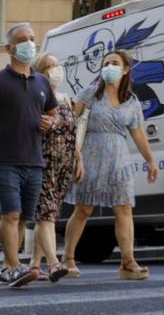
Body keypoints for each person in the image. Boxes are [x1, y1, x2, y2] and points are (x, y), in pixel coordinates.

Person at [61, 49, 158, 280]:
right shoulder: (90, 94)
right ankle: (68, 259)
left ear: (126, 70)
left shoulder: (131, 102)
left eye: (114, 63)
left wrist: (150, 160)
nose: (109, 67)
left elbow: (138, 133)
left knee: (124, 208)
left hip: (119, 159)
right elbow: (70, 123)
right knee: (83, 209)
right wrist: (73, 154)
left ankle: (128, 263)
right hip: (91, 155)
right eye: (106, 63)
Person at [0, 22, 59, 286]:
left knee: (24, 217)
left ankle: (6, 267)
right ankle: (14, 266)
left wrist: (51, 122)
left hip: (34, 161)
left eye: (32, 38)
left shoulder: (42, 81)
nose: (29, 44)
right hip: (4, 161)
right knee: (10, 214)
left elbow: (53, 113)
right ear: (9, 48)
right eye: (22, 40)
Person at [13, 52, 83, 286]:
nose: (55, 70)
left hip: (63, 164)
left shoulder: (66, 99)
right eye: (48, 67)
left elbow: (72, 133)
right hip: (42, 162)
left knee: (50, 213)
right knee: (46, 213)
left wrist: (78, 159)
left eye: (56, 65)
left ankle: (35, 263)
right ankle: (54, 263)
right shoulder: (36, 97)